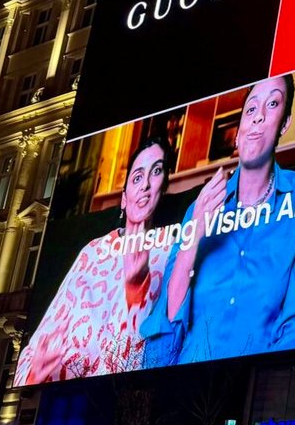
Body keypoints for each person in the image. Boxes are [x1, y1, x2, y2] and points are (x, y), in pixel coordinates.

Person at [141, 76, 295, 365]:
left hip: (257, 380)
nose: (258, 116)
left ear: (285, 123)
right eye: (251, 109)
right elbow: (169, 321)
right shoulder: (200, 208)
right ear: (238, 133)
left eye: (272, 104)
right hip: (188, 376)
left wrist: (268, 382)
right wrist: (194, 234)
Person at [15, 136, 175, 383]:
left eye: (156, 172)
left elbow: (153, 350)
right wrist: (37, 370)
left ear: (163, 188)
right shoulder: (92, 251)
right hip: (60, 387)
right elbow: (36, 348)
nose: (145, 185)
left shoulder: (170, 246)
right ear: (124, 198)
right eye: (137, 177)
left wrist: (136, 292)